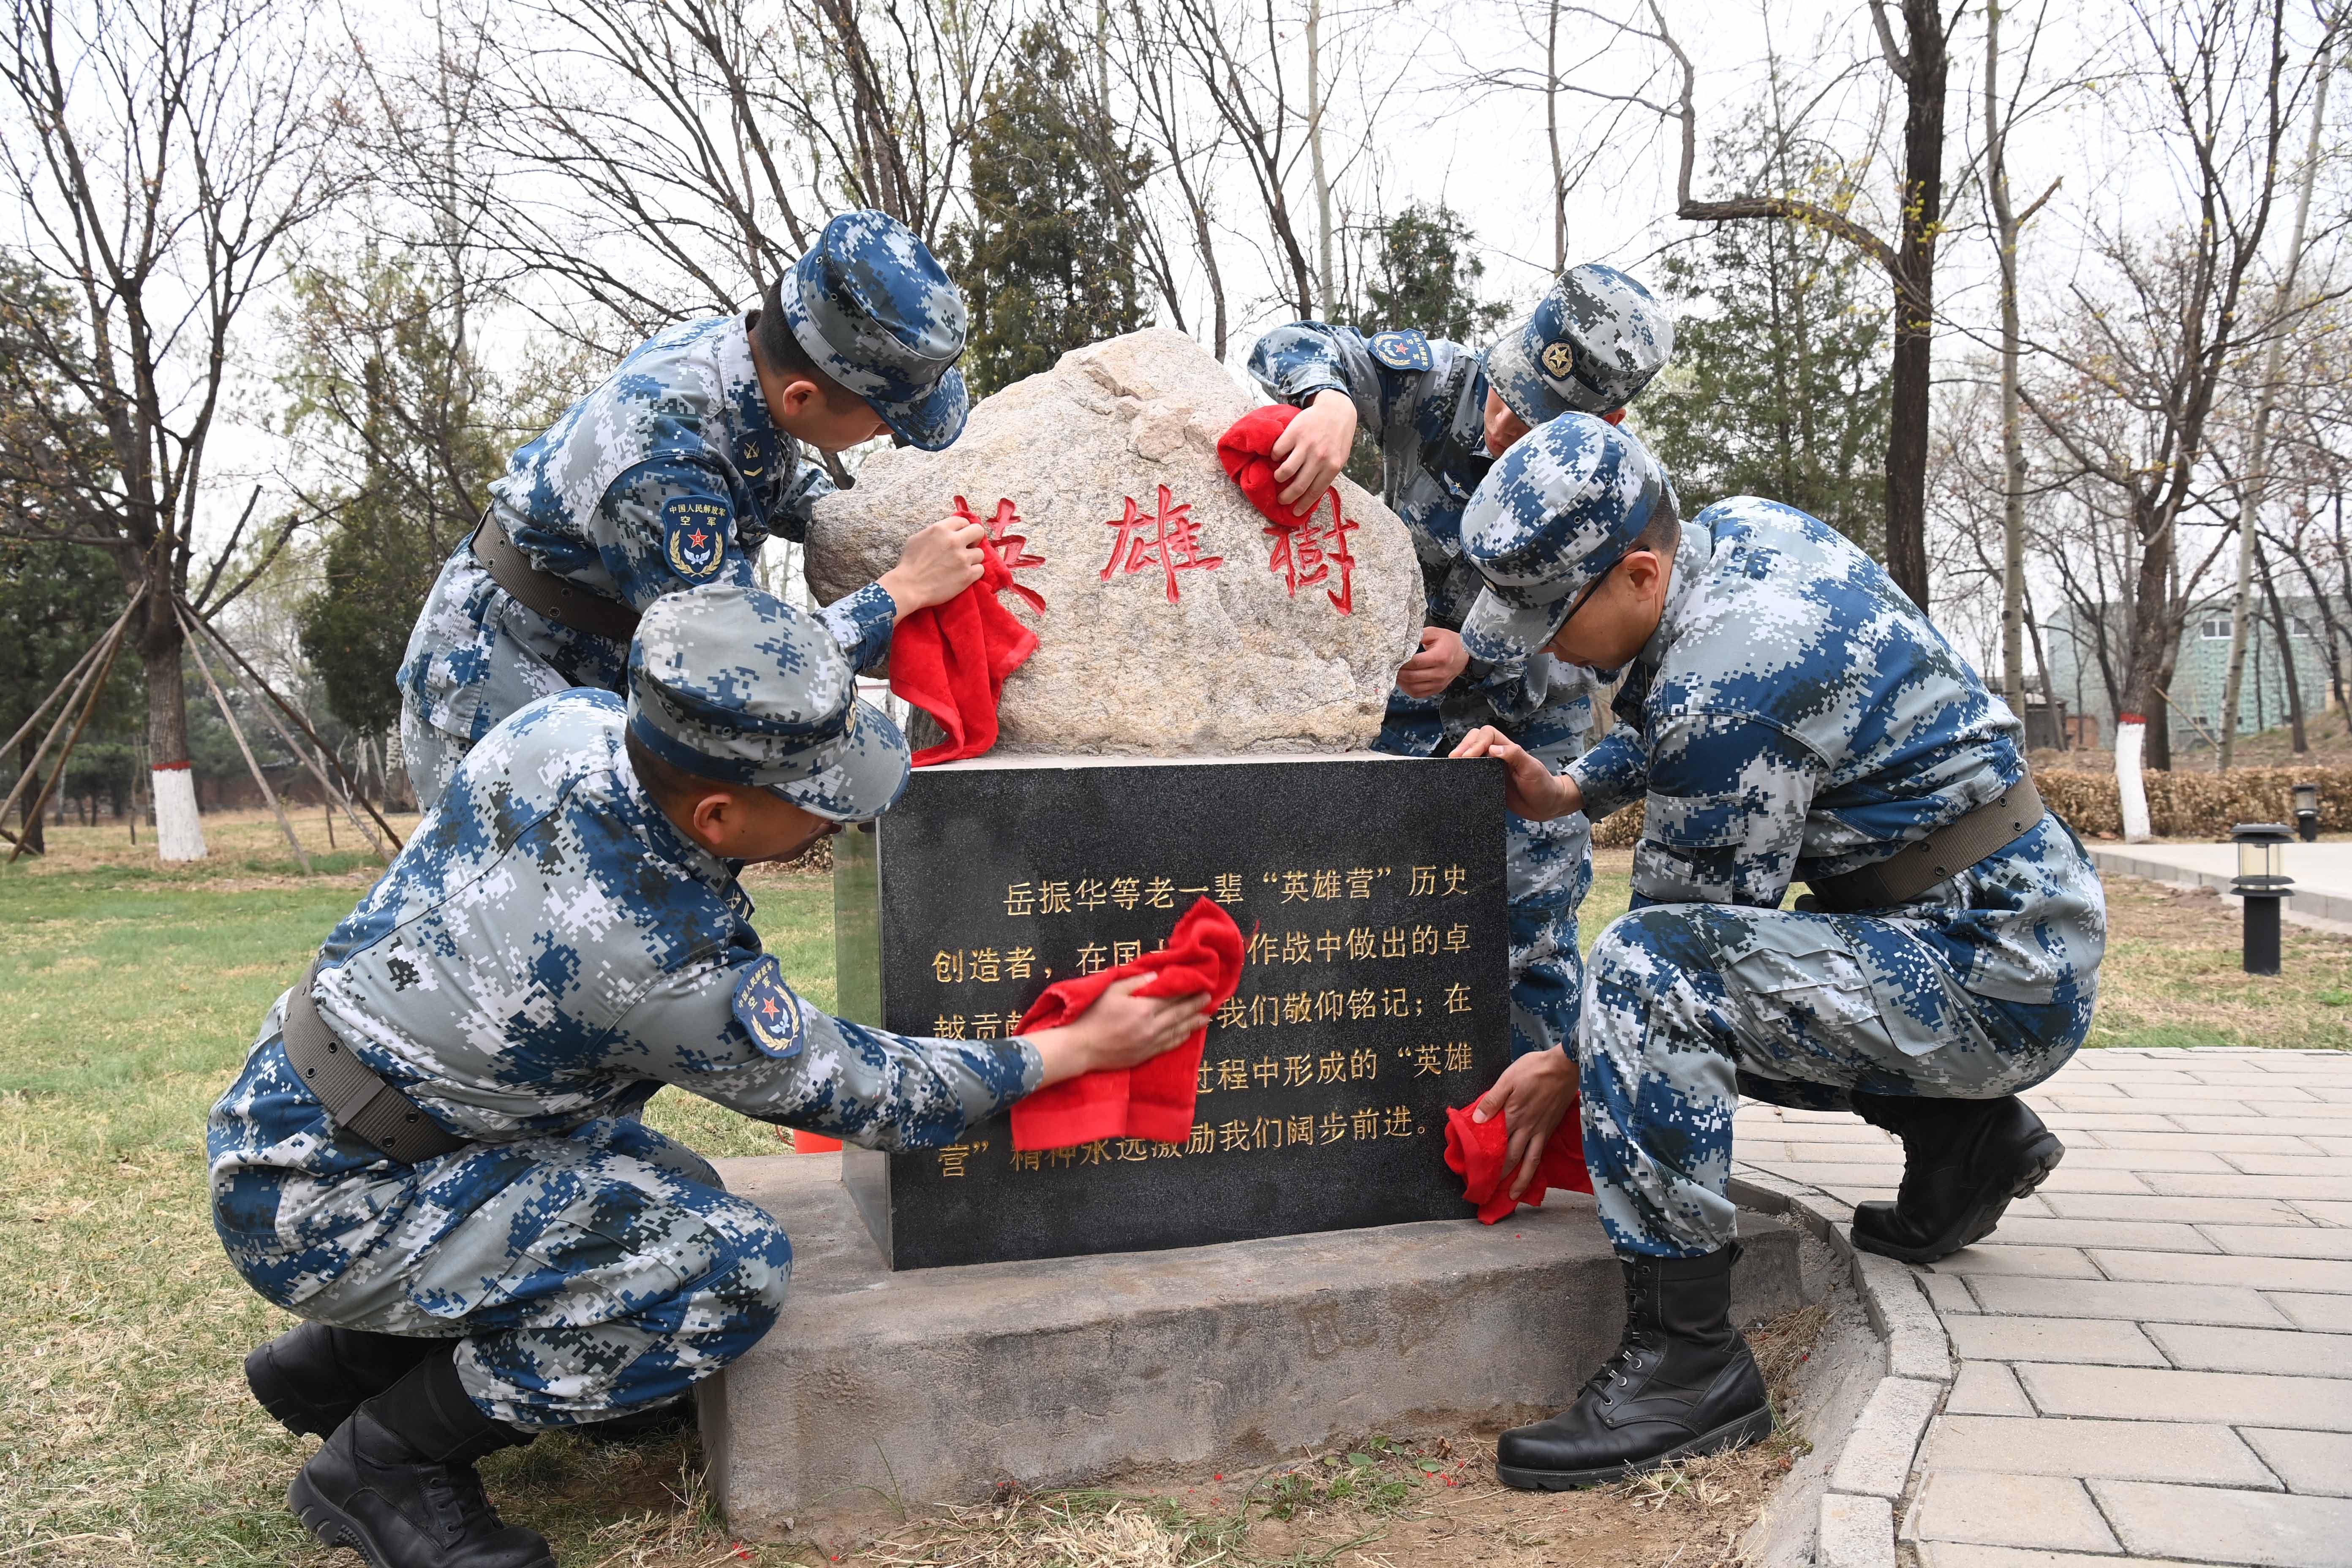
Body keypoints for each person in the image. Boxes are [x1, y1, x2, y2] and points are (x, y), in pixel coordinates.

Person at [212, 583, 1213, 1568]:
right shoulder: (660, 960)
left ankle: (342, 1364)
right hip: (331, 1201)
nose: (836, 822)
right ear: (722, 815)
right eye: (817, 803)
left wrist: (892, 598)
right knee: (720, 1270)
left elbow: (727, 675)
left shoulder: (571, 726)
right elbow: (866, 1088)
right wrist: (1069, 1051)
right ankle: (385, 1460)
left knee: (679, 1183)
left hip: (315, 1111)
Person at [1450, 416, 2104, 1491]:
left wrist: (1565, 1062)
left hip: (1993, 970)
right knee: (1690, 984)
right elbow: (1694, 712)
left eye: (1553, 616)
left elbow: (1678, 956)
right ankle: (1968, 1139)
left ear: (1640, 571)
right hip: (2001, 924)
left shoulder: (1728, 681)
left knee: (1641, 980)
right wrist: (1571, 786)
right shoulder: (1741, 536)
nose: (1545, 645)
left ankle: (1689, 1363)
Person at [397, 209, 991, 814]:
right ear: (804, 396)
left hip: (591, 673)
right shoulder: (664, 463)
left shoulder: (744, 366)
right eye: (881, 420)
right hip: (506, 690)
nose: (882, 437)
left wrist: (861, 522)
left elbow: (769, 479)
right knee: (535, 901)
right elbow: (740, 664)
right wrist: (901, 590)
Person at [1245, 264, 1674, 1063]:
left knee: (1532, 930)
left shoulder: (1626, 488)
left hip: (1530, 725)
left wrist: (1480, 655)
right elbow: (1286, 344)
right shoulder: (1438, 385)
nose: (1508, 421)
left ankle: (1538, 1136)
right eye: (1511, 391)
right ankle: (1382, 1122)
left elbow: (1602, 649)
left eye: (1544, 419)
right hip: (1393, 713)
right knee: (1367, 920)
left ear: (1608, 418)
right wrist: (1330, 399)